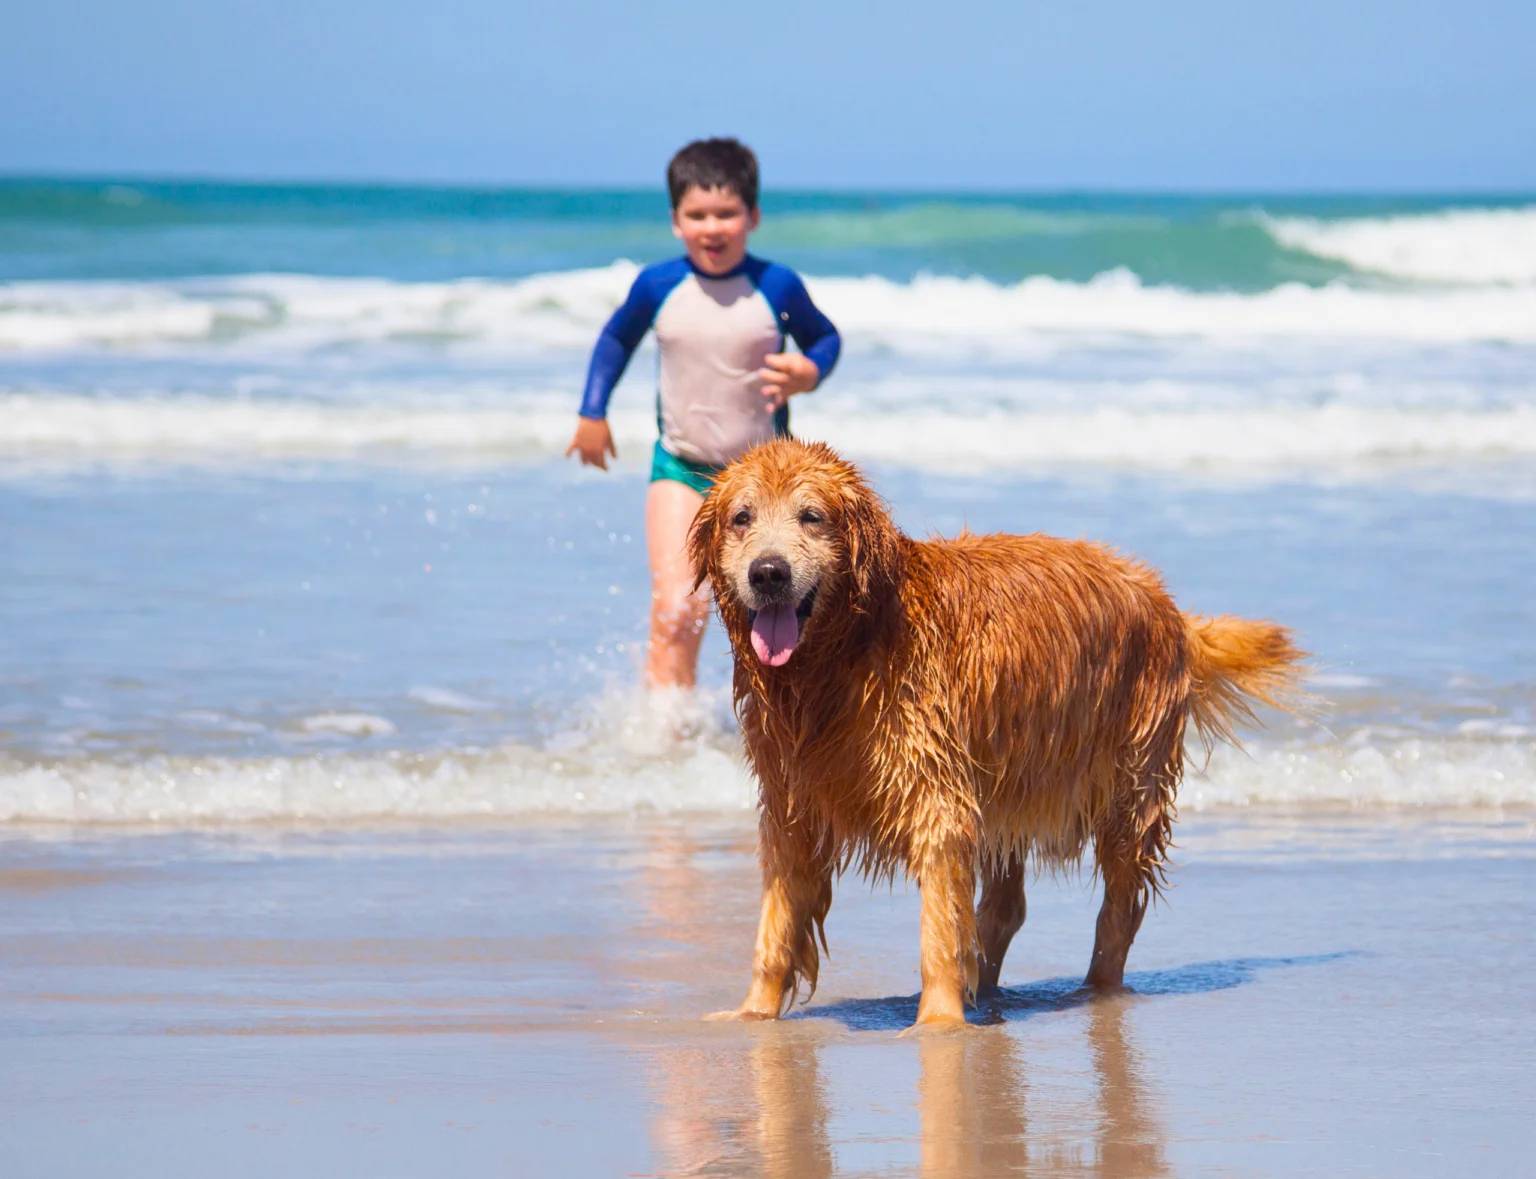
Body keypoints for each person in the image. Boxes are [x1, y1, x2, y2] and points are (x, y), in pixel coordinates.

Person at [565, 138, 841, 690]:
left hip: (766, 486)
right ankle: (668, 733)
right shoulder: (659, 286)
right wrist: (592, 412)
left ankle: (766, 731)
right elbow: (616, 338)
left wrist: (809, 371)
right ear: (675, 221)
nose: (712, 227)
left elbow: (825, 338)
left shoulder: (776, 285)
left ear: (753, 216)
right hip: (682, 471)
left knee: (778, 606)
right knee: (679, 608)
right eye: (697, 215)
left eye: (726, 214)